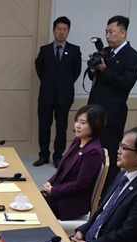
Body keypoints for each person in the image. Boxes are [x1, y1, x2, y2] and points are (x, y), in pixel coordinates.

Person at [87, 15, 137, 190]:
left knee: (109, 154)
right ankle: (89, 187)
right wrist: (95, 68)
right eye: (106, 32)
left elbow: (126, 83)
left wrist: (105, 69)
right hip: (94, 110)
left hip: (112, 114)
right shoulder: (106, 52)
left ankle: (107, 192)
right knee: (91, 151)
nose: (108, 36)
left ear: (123, 33)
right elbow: (95, 79)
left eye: (111, 32)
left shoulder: (133, 57)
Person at [34, 16, 82, 167]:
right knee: (44, 126)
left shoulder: (74, 50)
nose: (61, 32)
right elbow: (39, 69)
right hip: (46, 95)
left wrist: (63, 84)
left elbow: (76, 72)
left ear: (68, 31)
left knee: (61, 127)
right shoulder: (45, 50)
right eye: (59, 29)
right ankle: (43, 155)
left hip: (64, 96)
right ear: (53, 30)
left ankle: (58, 156)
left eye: (65, 30)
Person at [41, 105, 104, 220]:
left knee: (33, 209)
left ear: (95, 125)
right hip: (58, 193)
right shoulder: (77, 141)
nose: (77, 125)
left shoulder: (93, 152)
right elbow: (63, 170)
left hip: (69, 203)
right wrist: (50, 183)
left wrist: (53, 191)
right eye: (76, 121)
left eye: (83, 123)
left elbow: (80, 185)